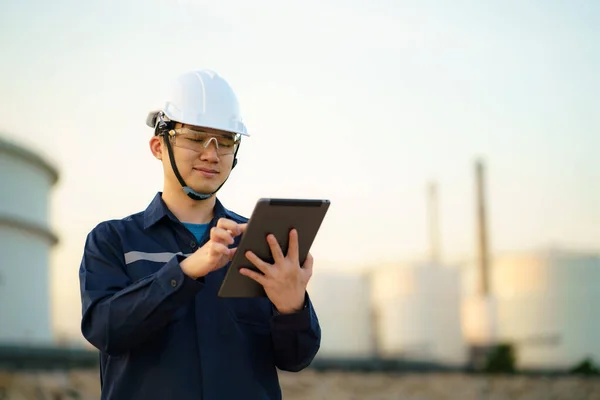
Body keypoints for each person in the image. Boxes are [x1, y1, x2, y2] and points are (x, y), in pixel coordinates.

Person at [78, 69, 321, 400]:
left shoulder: (257, 242)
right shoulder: (113, 241)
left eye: (224, 142)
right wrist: (185, 270)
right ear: (158, 146)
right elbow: (105, 330)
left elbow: (296, 359)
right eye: (195, 137)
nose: (211, 154)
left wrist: (292, 308)